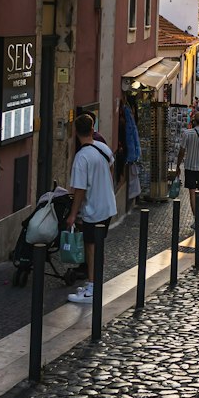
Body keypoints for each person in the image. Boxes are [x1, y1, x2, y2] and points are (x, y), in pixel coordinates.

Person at [66, 112, 117, 305]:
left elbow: (79, 190)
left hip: (93, 209)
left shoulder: (81, 158)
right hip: (108, 205)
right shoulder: (103, 148)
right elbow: (111, 166)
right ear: (93, 128)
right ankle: (95, 284)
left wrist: (72, 214)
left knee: (91, 247)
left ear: (75, 132)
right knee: (98, 245)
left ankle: (92, 287)